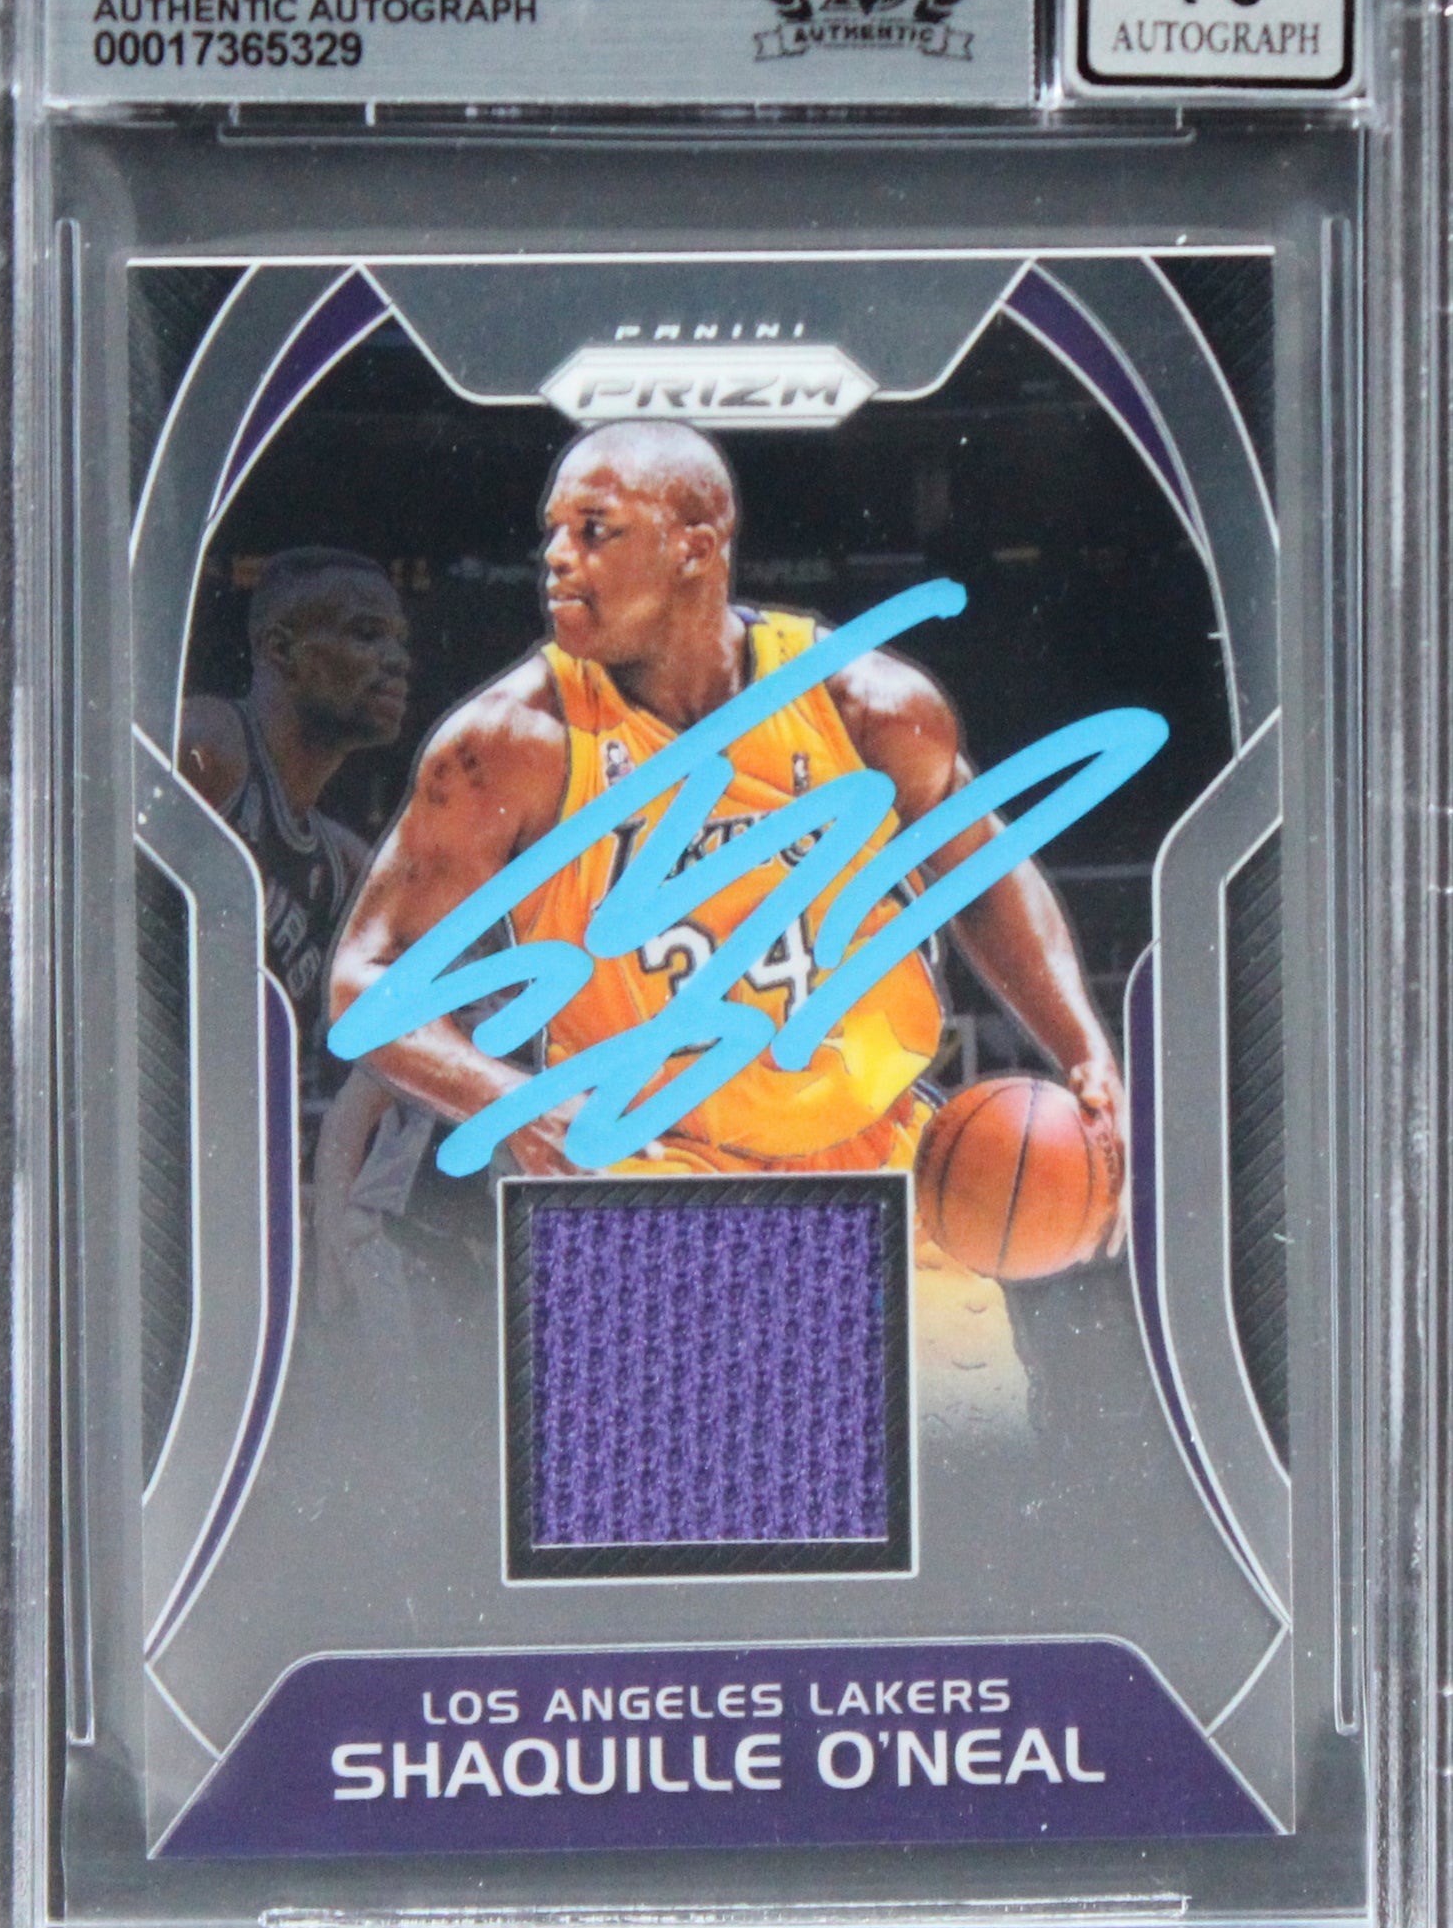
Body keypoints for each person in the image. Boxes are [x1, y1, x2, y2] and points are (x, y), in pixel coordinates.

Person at [329, 426, 1127, 1427]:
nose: (556, 557)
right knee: (708, 1496)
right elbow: (365, 974)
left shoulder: (866, 707)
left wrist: (1084, 1049)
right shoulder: (515, 740)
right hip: (655, 1177)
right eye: (553, 532)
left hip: (877, 1159)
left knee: (967, 1481)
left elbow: (982, 871)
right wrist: (516, 1103)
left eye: (595, 529)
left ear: (696, 546)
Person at [181, 546, 426, 1310]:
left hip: (252, 1192)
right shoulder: (211, 749)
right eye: (365, 634)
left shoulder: (342, 864)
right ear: (282, 649)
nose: (395, 661)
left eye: (399, 641)